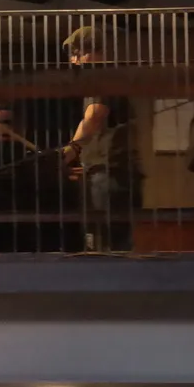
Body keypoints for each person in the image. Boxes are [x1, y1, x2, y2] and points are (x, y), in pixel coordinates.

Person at [61, 24, 134, 252]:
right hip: (106, 171)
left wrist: (71, 149)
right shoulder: (104, 78)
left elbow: (94, 116)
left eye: (77, 53)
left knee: (106, 242)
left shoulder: (103, 77)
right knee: (108, 242)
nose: (74, 61)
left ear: (93, 52)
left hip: (109, 173)